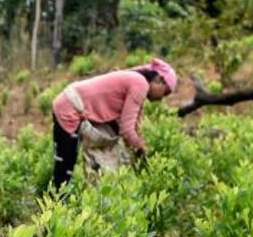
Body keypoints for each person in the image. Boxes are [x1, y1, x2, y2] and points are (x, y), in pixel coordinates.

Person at [49, 58, 177, 190]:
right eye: (165, 92)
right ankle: (53, 205)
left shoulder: (136, 81)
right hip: (69, 107)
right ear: (158, 80)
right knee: (65, 168)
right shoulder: (140, 84)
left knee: (66, 165)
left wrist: (138, 145)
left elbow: (131, 125)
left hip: (70, 101)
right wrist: (142, 150)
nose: (162, 98)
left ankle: (63, 200)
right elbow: (127, 130)